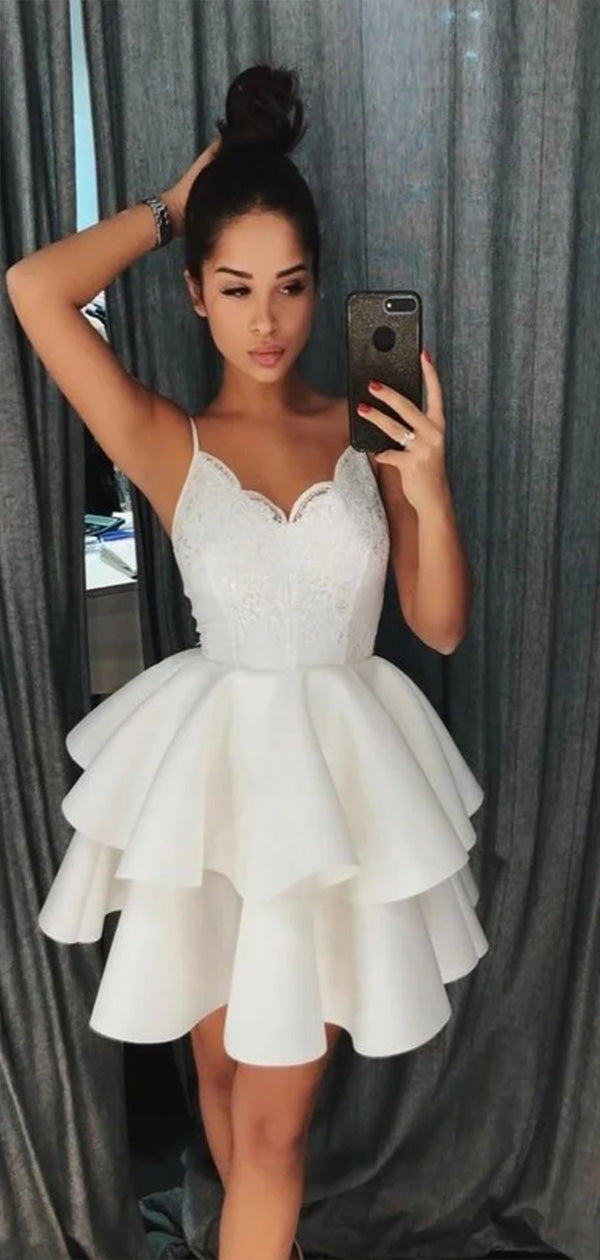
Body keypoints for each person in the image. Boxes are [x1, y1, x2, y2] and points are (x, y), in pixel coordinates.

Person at [7, 62, 488, 1260]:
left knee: (273, 1139)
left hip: (336, 805)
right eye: (235, 288)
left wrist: (429, 489)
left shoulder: (369, 431)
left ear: (320, 287)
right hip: (211, 801)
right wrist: (178, 203)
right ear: (195, 294)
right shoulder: (167, 438)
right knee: (221, 1087)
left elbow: (437, 627)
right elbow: (34, 288)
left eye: (290, 286)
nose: (267, 320)